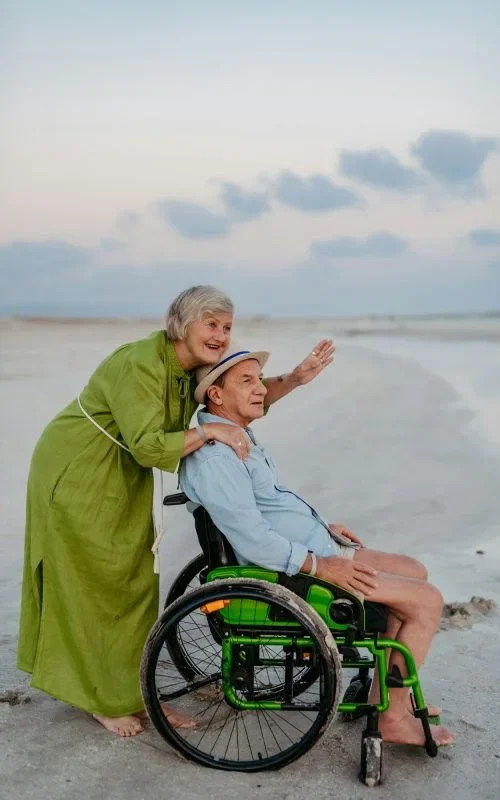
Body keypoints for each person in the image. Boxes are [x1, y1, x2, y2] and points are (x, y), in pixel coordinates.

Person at [17, 285, 334, 738]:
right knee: (94, 581)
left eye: (227, 326)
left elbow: (237, 399)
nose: (220, 335)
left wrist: (296, 378)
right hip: (81, 468)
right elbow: (150, 447)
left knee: (133, 581)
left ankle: (131, 691)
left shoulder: (189, 369)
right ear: (181, 325)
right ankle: (101, 698)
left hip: (123, 472)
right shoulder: (140, 363)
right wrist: (210, 435)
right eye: (211, 324)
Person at [180, 346, 455, 748]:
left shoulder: (237, 437)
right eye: (247, 381)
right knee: (427, 600)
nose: (261, 389)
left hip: (308, 548)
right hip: (288, 574)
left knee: (414, 570)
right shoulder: (217, 458)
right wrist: (322, 565)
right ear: (216, 395)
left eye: (259, 380)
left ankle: (384, 697)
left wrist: (322, 526)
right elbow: (253, 540)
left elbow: (274, 505)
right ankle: (393, 718)